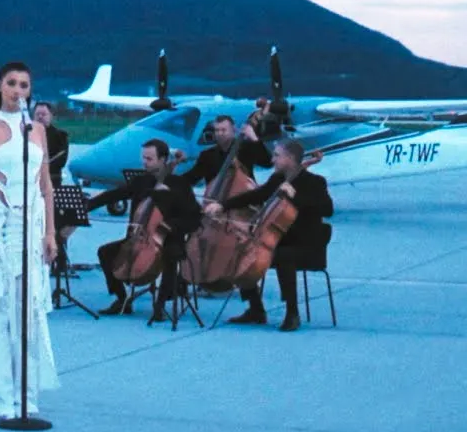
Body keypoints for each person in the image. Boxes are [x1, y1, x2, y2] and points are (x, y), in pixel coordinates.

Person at [0, 62, 60, 421]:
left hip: (31, 224)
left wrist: (50, 232)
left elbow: (46, 185)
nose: (19, 91)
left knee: (29, 309)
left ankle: (26, 394)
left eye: (25, 85)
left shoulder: (37, 130)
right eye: (12, 83)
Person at [204, 139, 332, 332]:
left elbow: (328, 210)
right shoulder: (278, 179)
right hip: (278, 241)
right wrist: (223, 205)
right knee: (240, 249)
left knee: (283, 256)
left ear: (290, 158)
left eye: (277, 156)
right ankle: (255, 309)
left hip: (306, 245)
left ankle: (292, 313)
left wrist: (295, 197)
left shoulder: (315, 182)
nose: (272, 160)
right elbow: (256, 195)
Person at [87, 139, 195, 319]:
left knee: (170, 255)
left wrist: (168, 226)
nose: (144, 162)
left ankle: (160, 305)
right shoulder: (141, 181)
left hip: (169, 238)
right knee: (105, 252)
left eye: (149, 159)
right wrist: (89, 205)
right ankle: (122, 299)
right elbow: (115, 194)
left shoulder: (178, 184)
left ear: (163, 160)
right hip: (141, 238)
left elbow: (191, 217)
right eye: (143, 158)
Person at [177, 114, 272, 188]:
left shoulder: (245, 148)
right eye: (217, 130)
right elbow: (192, 177)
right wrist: (172, 181)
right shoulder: (207, 155)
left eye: (223, 130)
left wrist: (254, 139)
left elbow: (267, 163)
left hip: (244, 198)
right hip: (216, 201)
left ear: (233, 130)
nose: (219, 133)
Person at [32, 102, 68, 189]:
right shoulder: (25, 134)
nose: (40, 117)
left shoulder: (60, 135)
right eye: (37, 114)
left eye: (43, 114)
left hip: (52, 180)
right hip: (30, 181)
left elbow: (61, 161)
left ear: (51, 116)